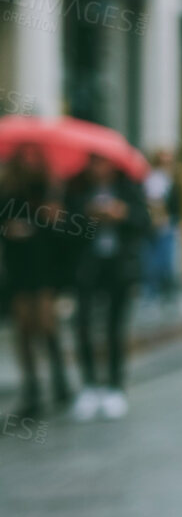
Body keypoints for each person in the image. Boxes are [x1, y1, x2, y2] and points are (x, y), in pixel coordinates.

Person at [66, 155, 150, 421]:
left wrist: (122, 213)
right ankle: (90, 385)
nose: (98, 169)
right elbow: (67, 225)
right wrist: (88, 215)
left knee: (116, 327)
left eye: (102, 163)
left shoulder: (129, 188)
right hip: (88, 268)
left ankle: (115, 385)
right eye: (93, 163)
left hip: (119, 267)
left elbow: (145, 222)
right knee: (83, 325)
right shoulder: (77, 189)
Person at [2, 144, 77, 417]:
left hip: (45, 268)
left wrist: (57, 220)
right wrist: (8, 228)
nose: (28, 160)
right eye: (24, 154)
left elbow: (69, 236)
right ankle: (32, 388)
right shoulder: (8, 192)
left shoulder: (52, 191)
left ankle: (60, 382)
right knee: (23, 328)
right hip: (18, 268)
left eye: (33, 154)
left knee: (46, 324)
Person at [141, 147, 181, 309]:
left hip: (168, 225)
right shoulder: (155, 178)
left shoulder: (170, 178)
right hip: (158, 226)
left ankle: (163, 294)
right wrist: (160, 218)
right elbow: (154, 200)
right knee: (156, 262)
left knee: (165, 262)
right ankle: (152, 293)